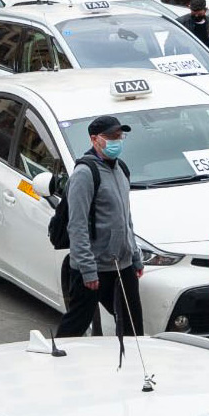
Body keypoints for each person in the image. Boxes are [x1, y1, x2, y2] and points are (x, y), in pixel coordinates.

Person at [56, 115, 144, 338]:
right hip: (93, 267)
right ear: (95, 139)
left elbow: (126, 218)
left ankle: (130, 366)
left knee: (133, 327)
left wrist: (134, 256)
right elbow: (76, 226)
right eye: (111, 136)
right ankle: (58, 358)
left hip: (121, 265)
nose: (117, 140)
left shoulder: (120, 169)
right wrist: (87, 269)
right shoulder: (85, 174)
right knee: (77, 323)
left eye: (120, 136)